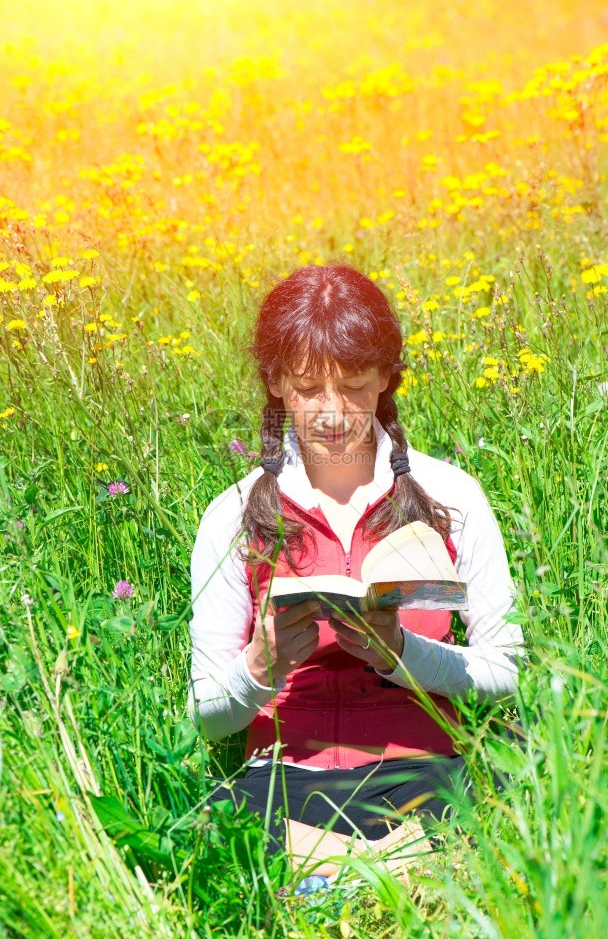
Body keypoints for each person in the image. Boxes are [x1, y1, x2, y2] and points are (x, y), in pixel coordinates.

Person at [186, 262, 526, 884]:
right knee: (214, 826)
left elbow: (504, 669)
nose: (333, 413)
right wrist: (257, 670)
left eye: (356, 387)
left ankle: (327, 873)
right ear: (276, 383)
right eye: (310, 389)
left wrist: (400, 655)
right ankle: (397, 869)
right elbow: (207, 713)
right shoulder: (232, 515)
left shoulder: (453, 496)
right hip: (285, 778)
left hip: (419, 770)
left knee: (484, 800)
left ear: (388, 381)